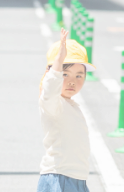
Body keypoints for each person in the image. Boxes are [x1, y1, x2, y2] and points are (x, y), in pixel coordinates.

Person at [37, 29, 96, 192]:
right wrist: (58, 61)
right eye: (65, 74)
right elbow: (49, 89)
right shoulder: (52, 104)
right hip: (59, 178)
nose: (72, 81)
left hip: (77, 179)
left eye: (79, 76)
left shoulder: (71, 105)